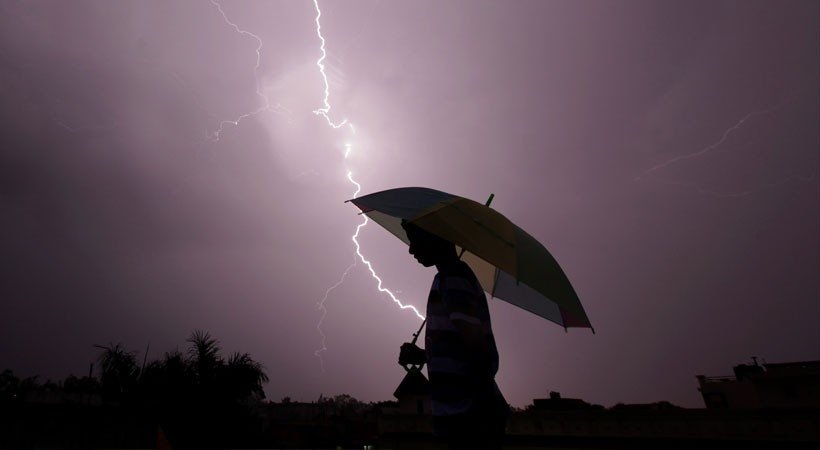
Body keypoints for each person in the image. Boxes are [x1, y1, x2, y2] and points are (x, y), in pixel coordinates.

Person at [399, 220, 509, 450]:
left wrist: (482, 408)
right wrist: (422, 354)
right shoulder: (445, 278)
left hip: (470, 417)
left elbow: (475, 346)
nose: (410, 249)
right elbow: (456, 346)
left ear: (436, 238)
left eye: (415, 240)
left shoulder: (454, 278)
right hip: (461, 415)